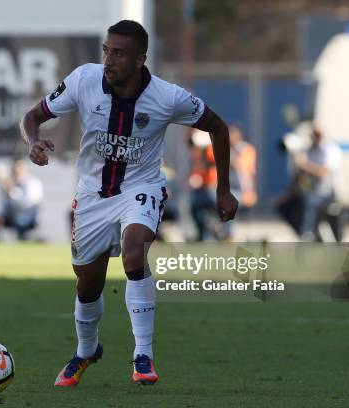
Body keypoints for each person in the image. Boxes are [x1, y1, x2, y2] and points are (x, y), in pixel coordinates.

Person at [20, 20, 237, 386]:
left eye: (118, 53)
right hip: (91, 195)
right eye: (106, 50)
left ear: (140, 59)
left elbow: (218, 127)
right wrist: (33, 141)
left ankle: (143, 355)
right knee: (88, 283)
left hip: (142, 187)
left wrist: (223, 189)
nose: (108, 60)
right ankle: (86, 350)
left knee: (134, 252)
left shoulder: (168, 97)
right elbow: (32, 117)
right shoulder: (83, 80)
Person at [277, 126, 342, 241]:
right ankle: (305, 233)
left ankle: (307, 234)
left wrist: (305, 165)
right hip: (311, 191)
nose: (314, 137)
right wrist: (288, 194)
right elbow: (300, 178)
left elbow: (324, 172)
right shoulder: (309, 151)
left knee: (308, 201)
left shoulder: (330, 150)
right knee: (284, 206)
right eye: (313, 135)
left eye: (317, 135)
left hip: (327, 192)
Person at [0, 160, 43, 241]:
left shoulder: (32, 183)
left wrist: (12, 191)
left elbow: (27, 203)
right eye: (14, 169)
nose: (16, 172)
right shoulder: (10, 182)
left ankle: (25, 241)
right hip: (11, 216)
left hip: (27, 216)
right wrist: (1, 215)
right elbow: (4, 203)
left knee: (20, 221)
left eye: (18, 169)